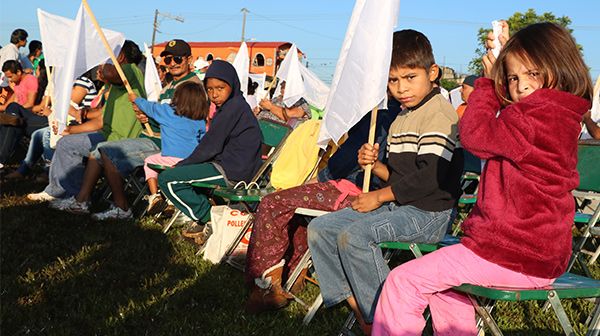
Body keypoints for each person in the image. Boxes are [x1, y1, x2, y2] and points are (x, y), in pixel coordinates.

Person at [372, 22, 593, 336]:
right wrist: (501, 66)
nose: (521, 86)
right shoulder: (561, 114)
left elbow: (474, 135)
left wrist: (488, 84)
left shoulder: (533, 117)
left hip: (510, 252)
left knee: (402, 280)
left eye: (532, 74)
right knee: (447, 290)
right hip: (538, 255)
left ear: (558, 67)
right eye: (513, 77)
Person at [306, 29, 464, 334]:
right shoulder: (402, 117)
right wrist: (375, 166)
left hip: (429, 214)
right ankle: (367, 315)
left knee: (355, 236)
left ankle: (391, 321)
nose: (401, 88)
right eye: (393, 80)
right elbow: (401, 178)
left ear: (432, 73)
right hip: (401, 204)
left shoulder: (440, 114)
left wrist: (379, 197)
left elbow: (429, 178)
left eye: (409, 77)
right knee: (321, 229)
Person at [244, 98, 401, 313]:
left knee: (273, 204)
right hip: (371, 191)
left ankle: (266, 286)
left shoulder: (381, 115)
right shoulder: (399, 114)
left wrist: (321, 178)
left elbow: (347, 159)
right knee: (292, 206)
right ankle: (293, 274)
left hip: (357, 191)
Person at [50, 39, 204, 220]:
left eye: (177, 59)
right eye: (168, 60)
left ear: (189, 60)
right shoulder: (169, 86)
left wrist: (150, 114)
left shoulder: (192, 87)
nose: (172, 64)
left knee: (108, 152)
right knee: (97, 152)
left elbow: (183, 123)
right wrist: (148, 118)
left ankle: (122, 208)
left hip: (169, 146)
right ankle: (81, 201)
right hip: (153, 137)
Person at [27, 40, 145, 202]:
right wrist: (70, 130)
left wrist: (103, 69)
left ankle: (63, 192)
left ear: (121, 56)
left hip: (121, 140)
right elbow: (102, 120)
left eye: (109, 55)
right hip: (108, 134)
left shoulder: (132, 70)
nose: (104, 61)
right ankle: (62, 190)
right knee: (66, 141)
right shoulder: (116, 88)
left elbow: (112, 74)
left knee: (68, 145)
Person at [157, 60, 262, 225]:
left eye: (220, 88)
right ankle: (210, 213)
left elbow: (210, 146)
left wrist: (183, 164)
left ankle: (208, 219)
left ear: (232, 86)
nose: (214, 94)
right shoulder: (231, 106)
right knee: (179, 177)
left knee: (167, 179)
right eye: (210, 89)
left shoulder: (233, 108)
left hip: (234, 171)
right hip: (227, 165)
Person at [5, 69, 99, 180]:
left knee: (40, 133)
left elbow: (68, 106)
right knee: (13, 109)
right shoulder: (58, 82)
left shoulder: (82, 82)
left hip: (68, 122)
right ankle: (22, 168)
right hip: (53, 117)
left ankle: (47, 171)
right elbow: (43, 105)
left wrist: (50, 108)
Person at [0, 60, 47, 164]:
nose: (9, 79)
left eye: (10, 76)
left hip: (27, 114)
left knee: (11, 113)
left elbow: (30, 104)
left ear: (19, 72)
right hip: (17, 114)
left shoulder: (30, 80)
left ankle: (2, 159)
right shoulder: (16, 83)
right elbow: (8, 103)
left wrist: (14, 108)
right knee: (8, 120)